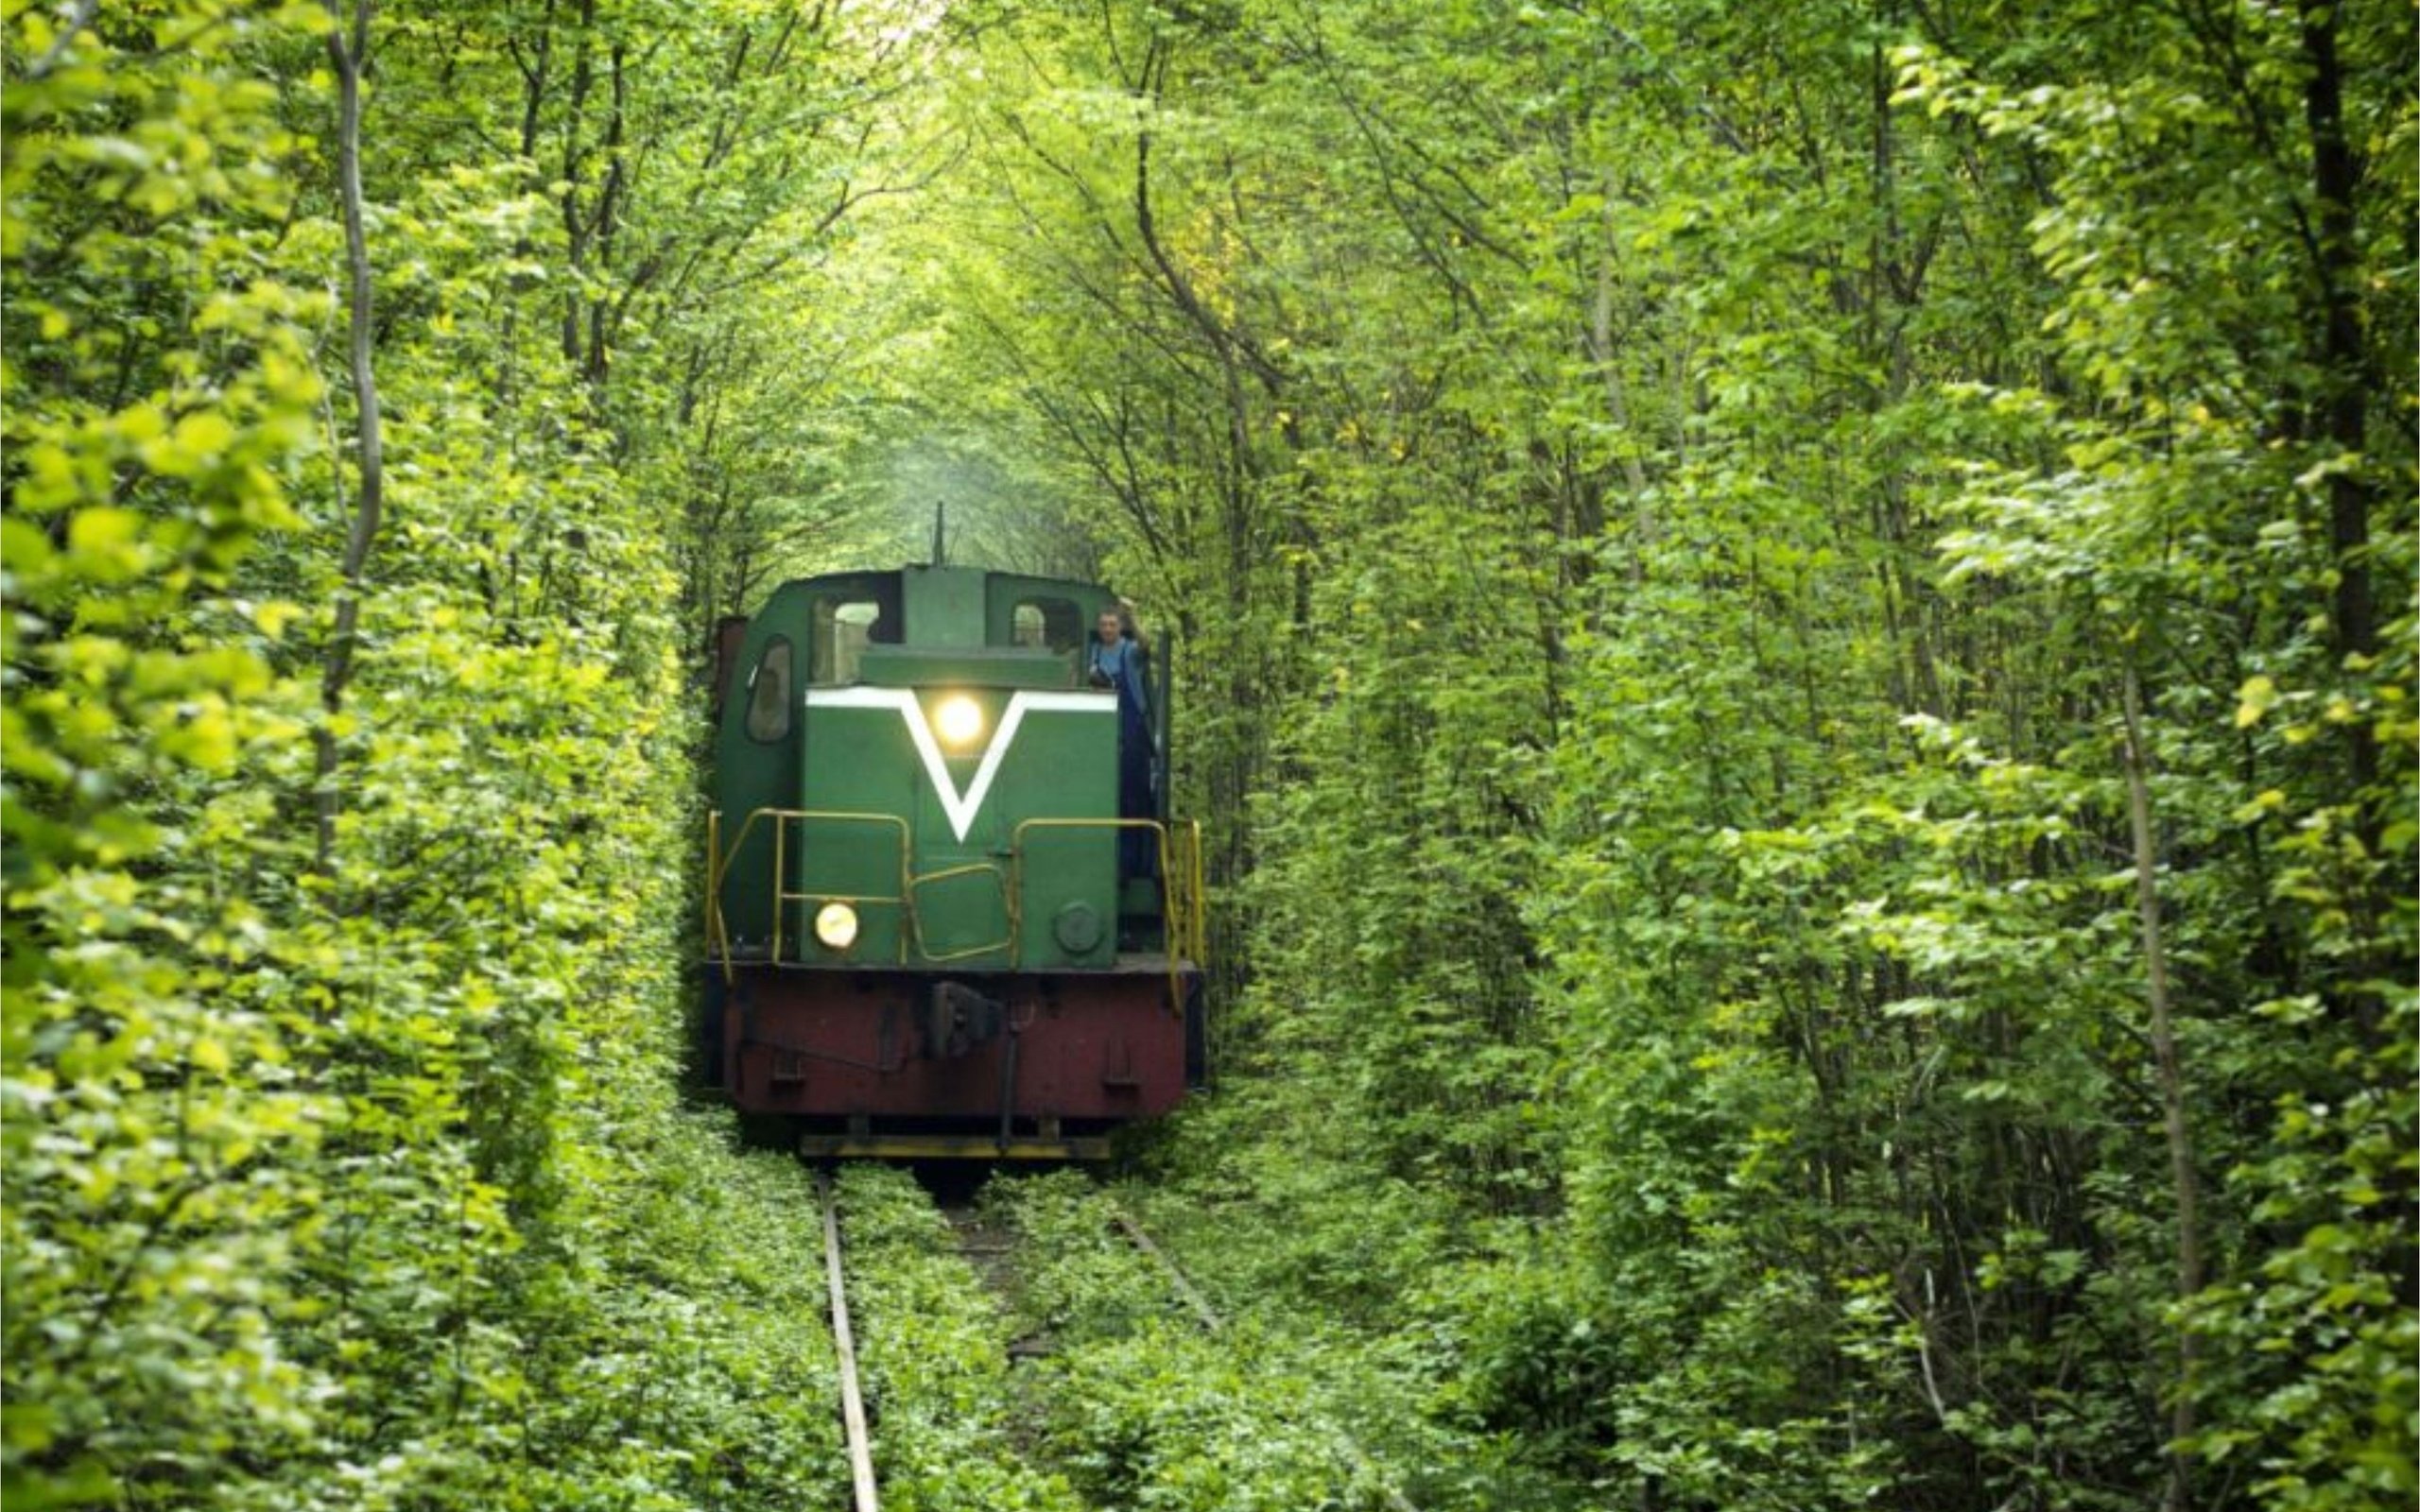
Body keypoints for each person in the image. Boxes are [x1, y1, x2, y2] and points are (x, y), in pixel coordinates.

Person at [1089, 607, 1156, 879]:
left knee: (1131, 796)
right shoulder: (1092, 652)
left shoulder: (1130, 651)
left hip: (1130, 725)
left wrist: (1134, 617)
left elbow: (1147, 645)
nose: (1107, 629)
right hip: (1099, 724)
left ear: (1120, 627)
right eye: (1103, 624)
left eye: (1113, 625)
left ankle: (1130, 865)